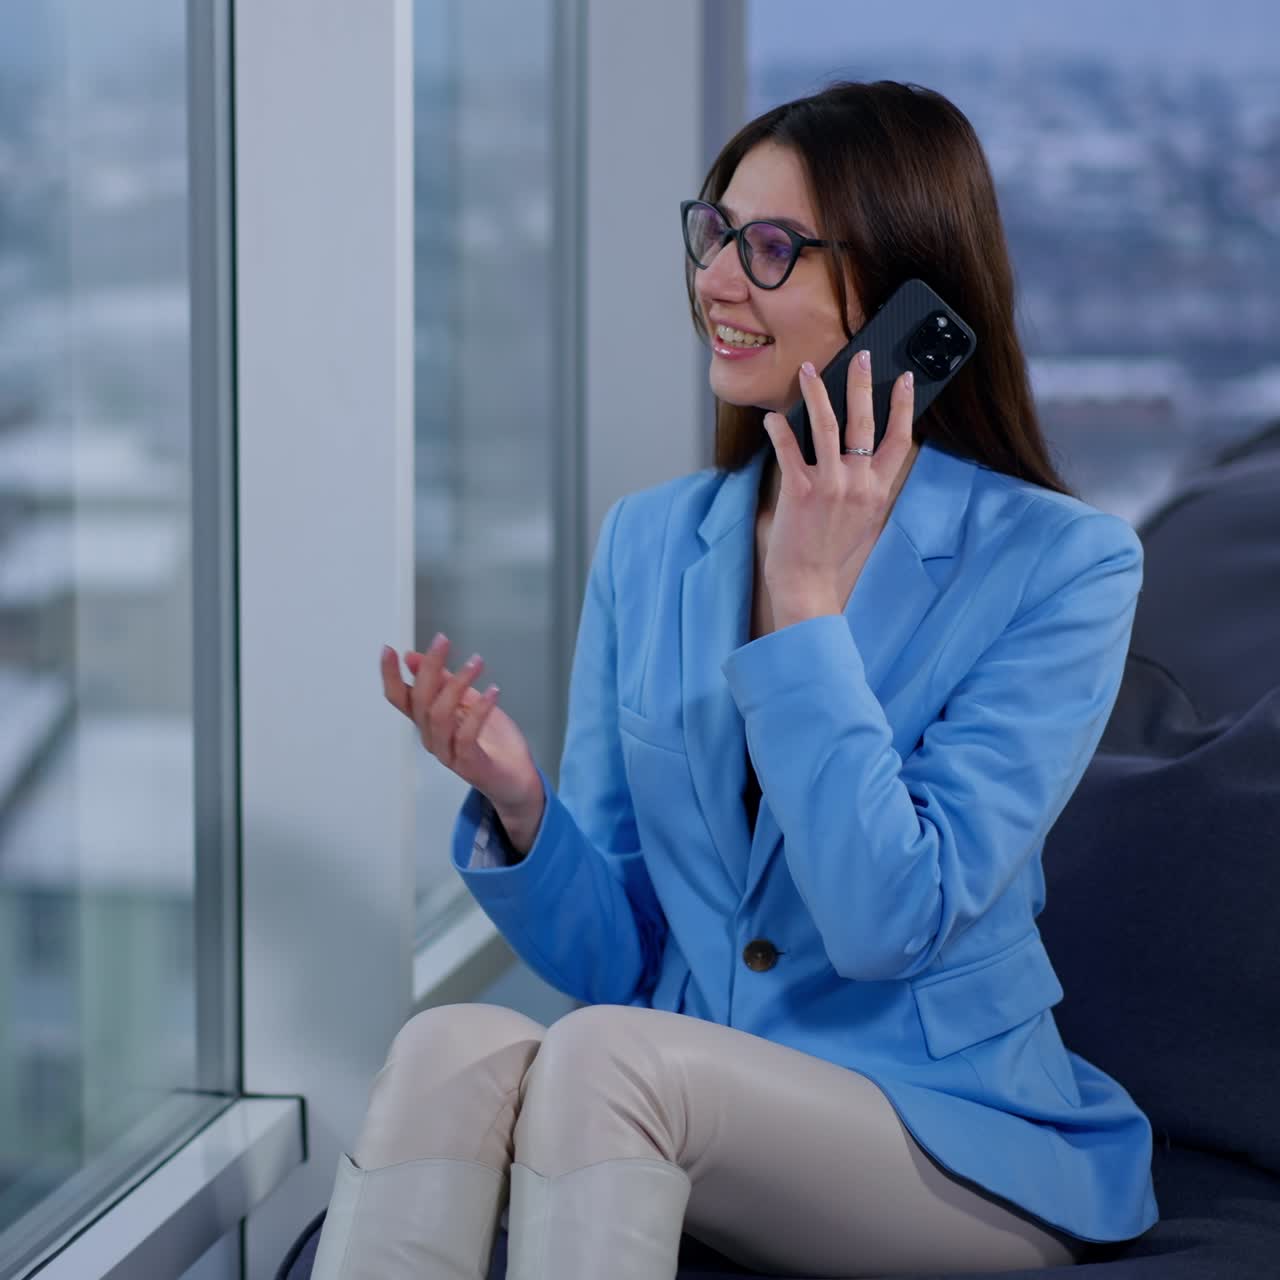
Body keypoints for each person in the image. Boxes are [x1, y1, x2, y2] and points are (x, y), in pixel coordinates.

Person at [312, 80, 1159, 1280]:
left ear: (903, 292)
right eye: (713, 232)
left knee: (605, 1057)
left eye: (770, 249)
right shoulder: (653, 543)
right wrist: (518, 804)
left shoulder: (1061, 565)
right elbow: (619, 961)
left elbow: (887, 918)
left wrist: (807, 606)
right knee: (453, 1039)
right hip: (683, 1092)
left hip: (948, 1133)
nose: (715, 280)